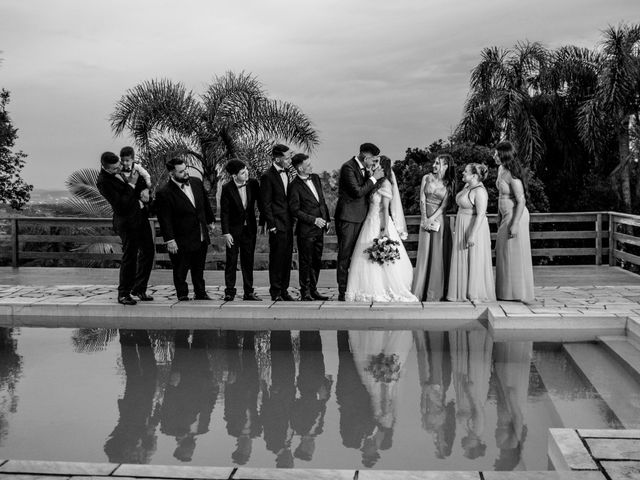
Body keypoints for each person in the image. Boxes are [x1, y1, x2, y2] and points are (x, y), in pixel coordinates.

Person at [345, 156, 418, 302]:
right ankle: (366, 288)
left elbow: (385, 208)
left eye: (377, 162)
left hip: (379, 222)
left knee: (380, 256)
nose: (374, 164)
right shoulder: (375, 182)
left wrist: (384, 229)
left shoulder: (385, 183)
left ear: (383, 167)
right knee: (365, 256)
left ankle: (385, 288)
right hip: (369, 222)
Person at [96, 151, 155, 305]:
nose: (119, 169)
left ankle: (139, 288)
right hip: (126, 222)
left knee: (148, 252)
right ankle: (123, 293)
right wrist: (131, 184)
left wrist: (145, 190)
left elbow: (140, 181)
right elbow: (120, 204)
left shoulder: (123, 168)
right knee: (130, 256)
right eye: (115, 168)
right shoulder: (103, 182)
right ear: (105, 168)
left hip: (141, 217)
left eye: (119, 166)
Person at [155, 158, 216, 301]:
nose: (185, 172)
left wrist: (210, 220)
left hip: (200, 233)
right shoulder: (164, 193)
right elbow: (165, 219)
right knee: (180, 268)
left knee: (199, 268)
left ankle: (200, 293)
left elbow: (205, 203)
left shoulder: (196, 182)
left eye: (186, 168)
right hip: (180, 237)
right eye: (181, 171)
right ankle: (182, 294)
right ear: (171, 173)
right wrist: (170, 240)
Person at [335, 143, 385, 301]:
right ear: (366, 157)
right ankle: (343, 291)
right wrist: (373, 178)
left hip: (362, 217)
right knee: (345, 254)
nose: (374, 163)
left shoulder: (365, 170)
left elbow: (368, 191)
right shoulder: (347, 168)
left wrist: (371, 177)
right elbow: (357, 192)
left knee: (357, 256)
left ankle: (355, 288)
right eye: (373, 160)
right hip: (348, 217)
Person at [447, 163, 496, 302]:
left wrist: (472, 234)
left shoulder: (480, 191)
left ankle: (474, 292)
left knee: (474, 258)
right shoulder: (467, 187)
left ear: (474, 176)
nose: (462, 173)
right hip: (463, 223)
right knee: (462, 257)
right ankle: (460, 291)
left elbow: (481, 214)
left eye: (466, 171)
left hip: (474, 227)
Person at [494, 141, 535, 303]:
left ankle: (517, 293)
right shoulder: (500, 169)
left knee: (514, 254)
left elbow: (521, 199)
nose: (494, 156)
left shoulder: (512, 174)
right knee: (503, 252)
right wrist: (499, 216)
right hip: (505, 216)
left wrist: (515, 223)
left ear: (504, 155)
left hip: (516, 215)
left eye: (496, 153)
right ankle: (505, 292)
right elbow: (500, 196)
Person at [288, 153, 331, 301]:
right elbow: (295, 210)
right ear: (300, 168)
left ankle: (314, 290)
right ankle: (305, 292)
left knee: (317, 260)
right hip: (306, 230)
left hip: (320, 228)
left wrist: (327, 219)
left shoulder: (316, 178)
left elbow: (322, 201)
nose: (312, 167)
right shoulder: (294, 186)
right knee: (306, 262)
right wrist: (314, 220)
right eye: (308, 165)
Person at [412, 154, 456, 301]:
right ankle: (420, 291)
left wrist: (432, 218)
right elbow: (422, 198)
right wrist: (424, 217)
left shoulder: (450, 183)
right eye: (434, 162)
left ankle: (434, 292)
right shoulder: (427, 177)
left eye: (438, 163)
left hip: (439, 221)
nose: (434, 165)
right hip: (425, 219)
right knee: (424, 253)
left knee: (438, 254)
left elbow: (444, 206)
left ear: (446, 166)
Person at [220, 158, 262, 302]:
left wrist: (263, 221)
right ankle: (229, 292)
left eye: (247, 170)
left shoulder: (253, 183)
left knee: (248, 260)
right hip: (233, 230)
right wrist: (226, 233)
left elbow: (261, 203)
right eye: (243, 172)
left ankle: (249, 292)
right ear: (234, 176)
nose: (247, 174)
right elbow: (224, 212)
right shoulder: (227, 188)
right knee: (231, 261)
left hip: (249, 229)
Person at [260, 144, 295, 301]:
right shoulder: (268, 176)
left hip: (288, 223)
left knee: (287, 258)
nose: (290, 160)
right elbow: (265, 204)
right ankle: (275, 291)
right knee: (277, 258)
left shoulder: (287, 172)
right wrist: (271, 224)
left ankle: (284, 290)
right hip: (277, 224)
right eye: (287, 158)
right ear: (278, 158)